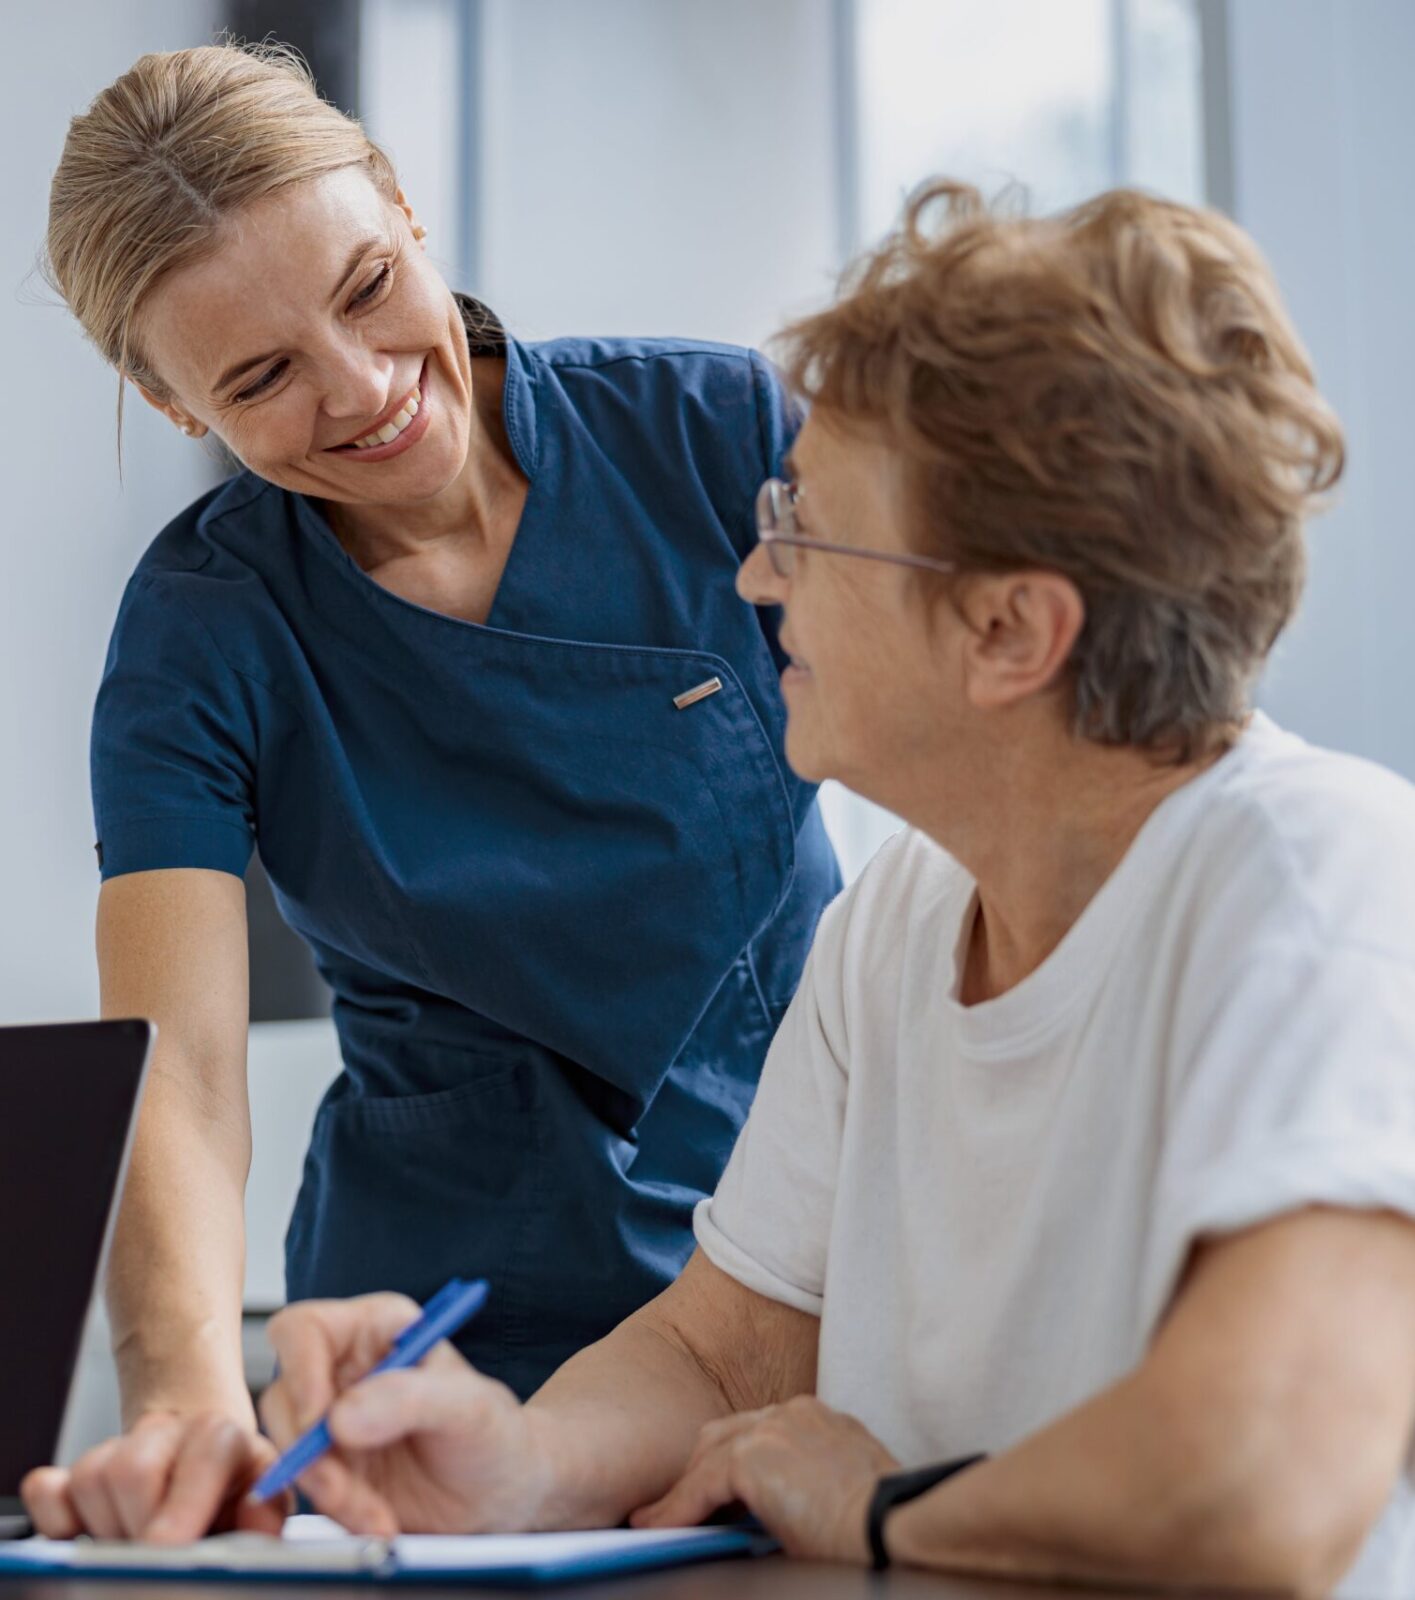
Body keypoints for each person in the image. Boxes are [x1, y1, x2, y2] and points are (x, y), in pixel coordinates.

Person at [42, 178, 1415, 1598]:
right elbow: (721, 1348)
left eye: (809, 529)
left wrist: (881, 1506)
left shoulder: (1321, 880)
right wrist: (512, 1460)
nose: (755, 572)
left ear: (1008, 626)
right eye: (261, 371)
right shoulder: (896, 936)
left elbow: (1265, 1483)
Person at [29, 40, 840, 1537]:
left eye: (361, 289)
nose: (365, 392)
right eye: (261, 377)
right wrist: (185, 1398)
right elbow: (183, 1071)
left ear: (401, 206)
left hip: (802, 1285)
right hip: (439, 1356)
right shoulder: (203, 629)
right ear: (171, 404)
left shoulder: (718, 438)